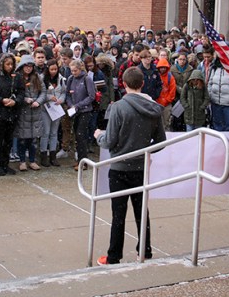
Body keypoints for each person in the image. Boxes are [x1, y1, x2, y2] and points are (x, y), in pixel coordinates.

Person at [95, 67, 166, 265]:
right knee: (142, 212)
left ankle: (114, 255)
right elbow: (161, 141)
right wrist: (143, 150)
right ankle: (145, 251)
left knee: (118, 214)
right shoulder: (153, 108)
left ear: (124, 84)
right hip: (140, 167)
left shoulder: (118, 107)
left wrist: (99, 136)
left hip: (119, 167)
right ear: (142, 84)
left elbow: (109, 141)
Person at [0, 53, 24, 176]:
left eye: (12, 64)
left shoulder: (17, 77)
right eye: (7, 64)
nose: (10, 67)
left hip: (12, 113)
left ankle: (6, 164)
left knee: (8, 140)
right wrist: (1, 100)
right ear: (2, 64)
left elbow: (22, 92)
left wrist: (16, 101)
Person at [66, 58, 96, 170]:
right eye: (72, 71)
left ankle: (83, 162)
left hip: (85, 111)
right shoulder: (70, 79)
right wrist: (71, 105)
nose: (73, 73)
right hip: (75, 111)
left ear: (80, 69)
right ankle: (80, 160)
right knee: (77, 136)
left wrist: (78, 105)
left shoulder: (87, 79)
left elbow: (91, 96)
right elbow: (68, 94)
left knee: (81, 135)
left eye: (75, 71)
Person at [39, 61, 66, 167]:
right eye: (51, 69)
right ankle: (43, 155)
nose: (54, 71)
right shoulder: (42, 78)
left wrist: (61, 99)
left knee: (54, 133)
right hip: (45, 108)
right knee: (45, 132)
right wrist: (49, 97)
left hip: (56, 108)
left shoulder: (60, 79)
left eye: (55, 69)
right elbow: (40, 93)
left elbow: (63, 92)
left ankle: (53, 155)